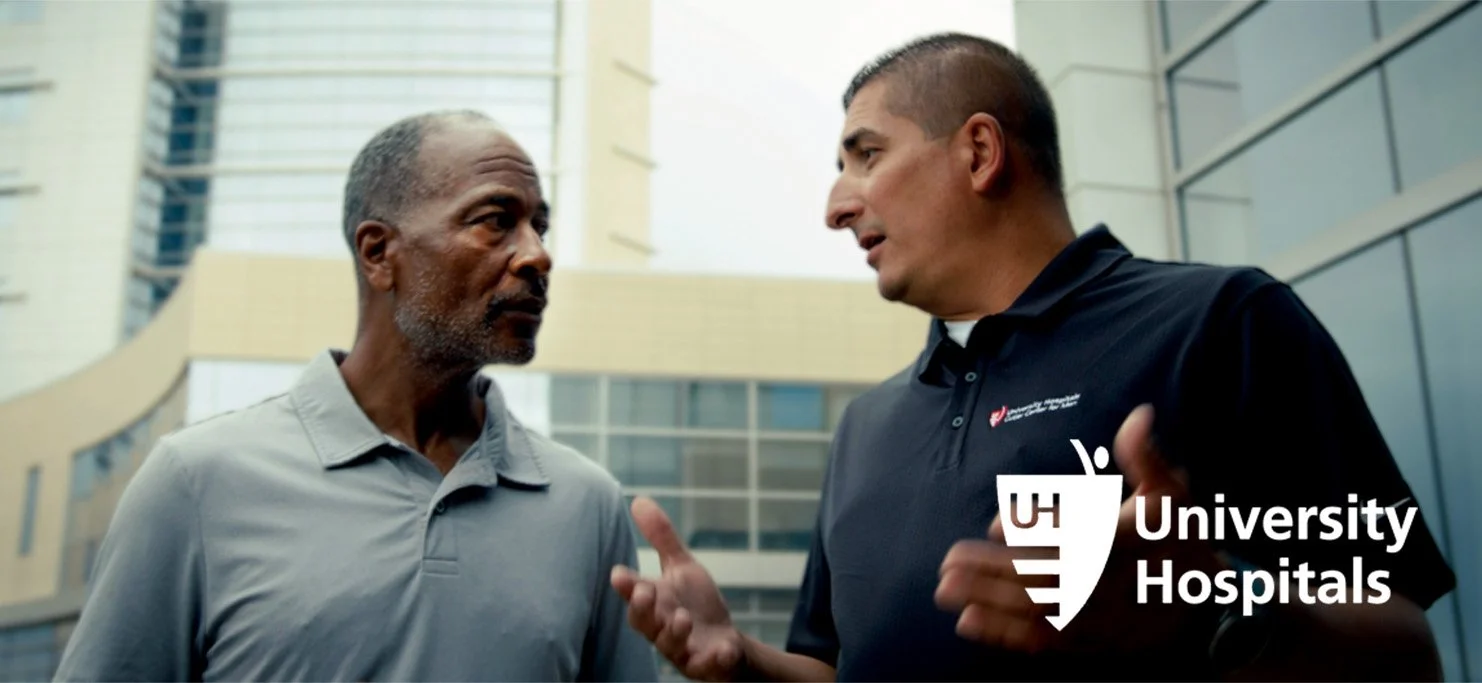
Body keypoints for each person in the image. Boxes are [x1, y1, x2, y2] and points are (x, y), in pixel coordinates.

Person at [610, 32, 1457, 681]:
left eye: (866, 154)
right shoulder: (867, 427)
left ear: (979, 152)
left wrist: (1215, 605)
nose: (837, 205)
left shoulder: (1222, 322)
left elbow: (1409, 650)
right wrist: (741, 660)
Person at [54, 111, 657, 682]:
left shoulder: (589, 505)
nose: (537, 254)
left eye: (538, 225)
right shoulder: (195, 482)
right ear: (378, 253)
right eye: (495, 220)